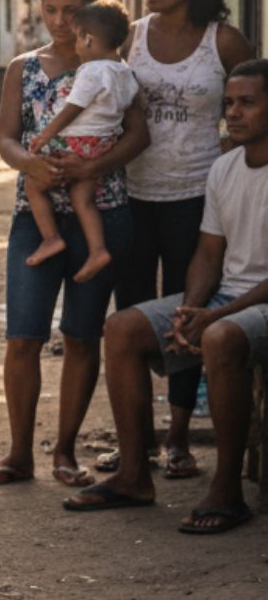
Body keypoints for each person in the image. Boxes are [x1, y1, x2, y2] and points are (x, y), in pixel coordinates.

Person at [64, 59, 268, 535]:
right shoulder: (225, 168)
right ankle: (134, 474)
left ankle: (228, 489)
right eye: (228, 103)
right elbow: (208, 255)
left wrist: (215, 315)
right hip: (228, 302)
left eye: (248, 104)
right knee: (122, 328)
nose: (232, 114)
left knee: (218, 337)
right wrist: (190, 309)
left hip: (251, 308)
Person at [0, 0, 148, 490]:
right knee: (23, 337)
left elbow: (138, 136)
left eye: (70, 11)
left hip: (103, 213)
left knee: (80, 336)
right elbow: (6, 138)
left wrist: (92, 167)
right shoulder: (22, 69)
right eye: (50, 10)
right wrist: (27, 163)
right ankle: (18, 454)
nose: (59, 21)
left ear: (91, 11)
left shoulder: (115, 67)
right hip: (36, 216)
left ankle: (65, 453)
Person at [106, 0, 254, 480]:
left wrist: (223, 150)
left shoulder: (224, 41)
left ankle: (177, 439)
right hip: (135, 195)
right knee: (135, 310)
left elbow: (255, 106)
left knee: (187, 313)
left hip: (198, 200)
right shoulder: (133, 39)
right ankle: (136, 441)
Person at [23, 0, 139, 284]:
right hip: (104, 145)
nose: (75, 45)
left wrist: (47, 134)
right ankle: (97, 250)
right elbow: (132, 102)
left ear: (88, 38)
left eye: (77, 38)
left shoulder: (91, 70)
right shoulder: (124, 70)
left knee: (33, 184)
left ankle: (50, 238)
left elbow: (73, 107)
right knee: (82, 197)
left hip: (79, 141)